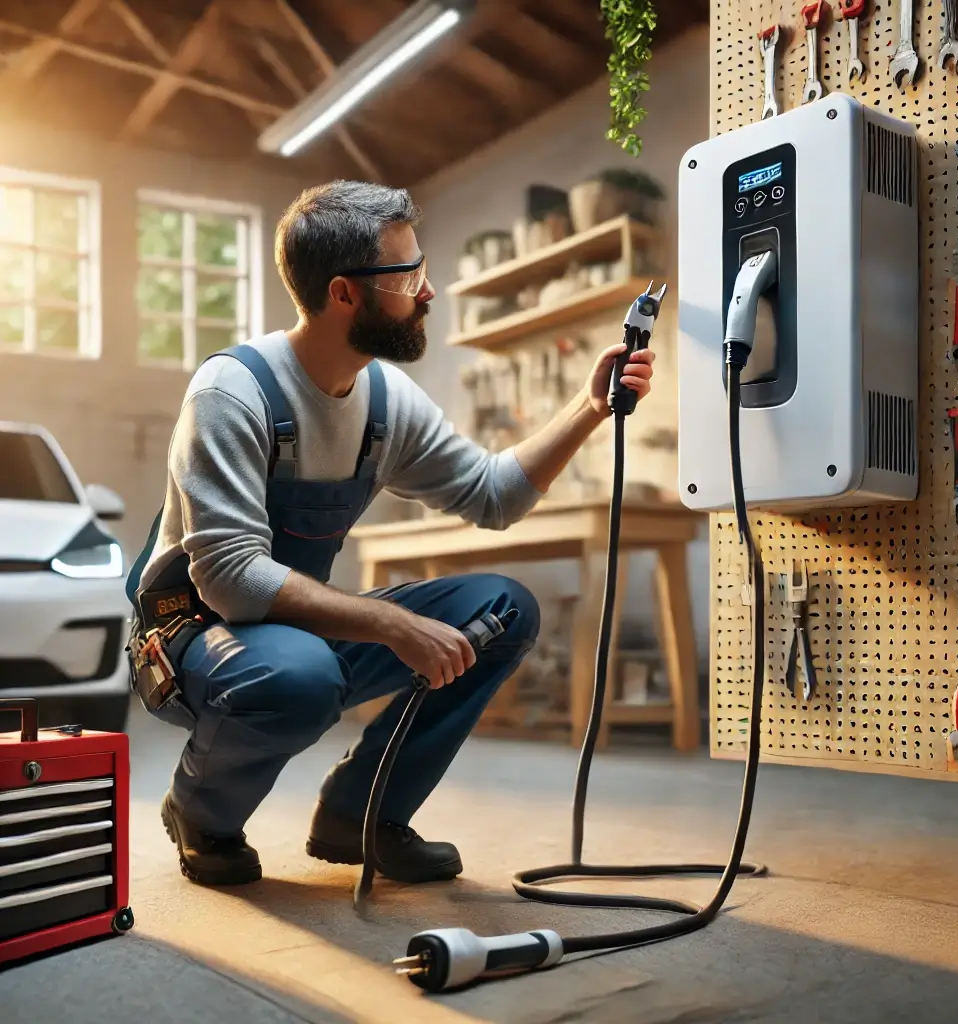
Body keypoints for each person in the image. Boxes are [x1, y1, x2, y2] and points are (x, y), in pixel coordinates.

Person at [126, 180, 656, 888]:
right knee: (298, 677)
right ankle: (202, 813)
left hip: (289, 631)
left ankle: (363, 815)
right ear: (345, 294)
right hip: (191, 635)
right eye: (408, 277)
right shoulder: (232, 394)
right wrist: (391, 625)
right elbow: (230, 578)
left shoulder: (385, 401)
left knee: (502, 611)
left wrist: (589, 410)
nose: (428, 292)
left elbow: (493, 495)